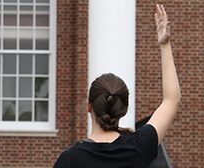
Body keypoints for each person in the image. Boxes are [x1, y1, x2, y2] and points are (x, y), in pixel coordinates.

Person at [54, 4, 181, 168]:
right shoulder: (139, 147)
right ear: (124, 108)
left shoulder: (70, 160)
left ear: (89, 106)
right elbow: (171, 100)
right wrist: (165, 44)